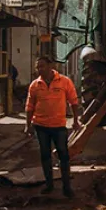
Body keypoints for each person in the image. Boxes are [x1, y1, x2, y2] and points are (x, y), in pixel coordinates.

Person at [25, 56, 81, 198]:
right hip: (40, 126)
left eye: (42, 66)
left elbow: (73, 102)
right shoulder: (35, 85)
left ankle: (66, 187)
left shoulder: (64, 81)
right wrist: (28, 125)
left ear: (50, 66)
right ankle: (49, 185)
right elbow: (29, 106)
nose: (39, 69)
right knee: (45, 155)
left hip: (58, 126)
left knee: (64, 156)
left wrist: (76, 120)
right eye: (37, 67)